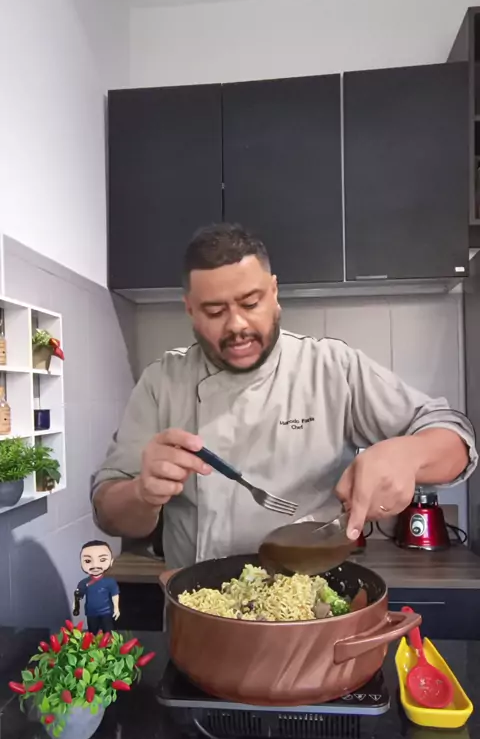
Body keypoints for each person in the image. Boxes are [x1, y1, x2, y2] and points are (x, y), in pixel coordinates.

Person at [90, 224, 477, 570]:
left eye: (250, 303)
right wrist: (142, 493)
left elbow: (455, 439)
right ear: (190, 310)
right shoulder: (162, 382)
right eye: (214, 310)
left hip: (311, 609)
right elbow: (109, 514)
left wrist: (408, 455)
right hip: (200, 612)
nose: (237, 325)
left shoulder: (331, 367)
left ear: (274, 293)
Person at [74, 540, 120, 633]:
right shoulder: (83, 583)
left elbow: (114, 594)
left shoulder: (110, 582)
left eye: (102, 560)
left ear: (111, 561)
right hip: (91, 612)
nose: (95, 565)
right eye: (88, 561)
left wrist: (116, 607)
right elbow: (78, 596)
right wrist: (75, 605)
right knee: (92, 633)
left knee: (108, 632)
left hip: (106, 612)